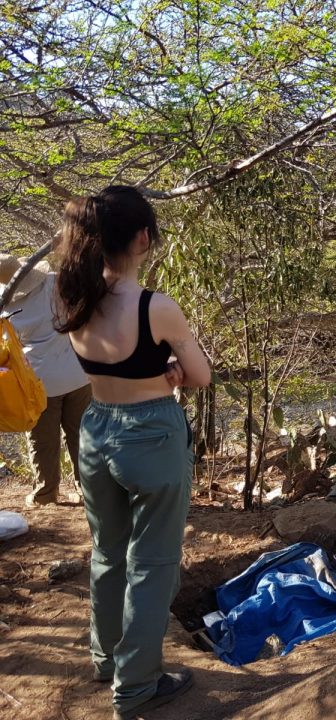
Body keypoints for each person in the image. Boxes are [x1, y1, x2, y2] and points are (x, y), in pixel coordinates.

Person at [54, 186, 210, 720]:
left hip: (96, 429)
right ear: (143, 238)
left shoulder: (71, 294)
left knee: (107, 551)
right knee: (154, 563)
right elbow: (201, 376)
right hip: (152, 433)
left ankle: (107, 659)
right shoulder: (155, 307)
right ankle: (137, 684)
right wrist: (171, 372)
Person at [0, 254, 91, 507]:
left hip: (39, 385)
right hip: (77, 373)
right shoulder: (56, 283)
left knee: (42, 441)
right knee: (82, 436)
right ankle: (88, 490)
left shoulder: (6, 309)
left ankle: (45, 493)